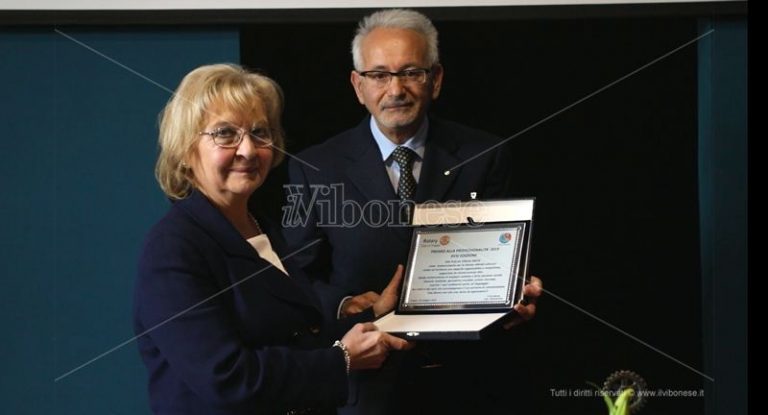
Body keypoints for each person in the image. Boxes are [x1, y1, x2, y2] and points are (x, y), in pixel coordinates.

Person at [283, 9, 542, 415]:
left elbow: (501, 255)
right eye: (379, 75)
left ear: (435, 80)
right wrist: (348, 302)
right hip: (366, 390)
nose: (396, 89)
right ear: (358, 85)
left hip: (468, 384)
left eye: (410, 72)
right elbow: (297, 276)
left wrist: (514, 291)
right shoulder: (314, 166)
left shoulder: (484, 155)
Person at [133, 63, 411, 415]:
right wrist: (340, 360)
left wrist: (374, 314)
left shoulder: (261, 226)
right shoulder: (173, 248)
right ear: (186, 149)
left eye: (259, 133)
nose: (248, 150)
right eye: (225, 134)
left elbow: (295, 335)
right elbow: (227, 378)